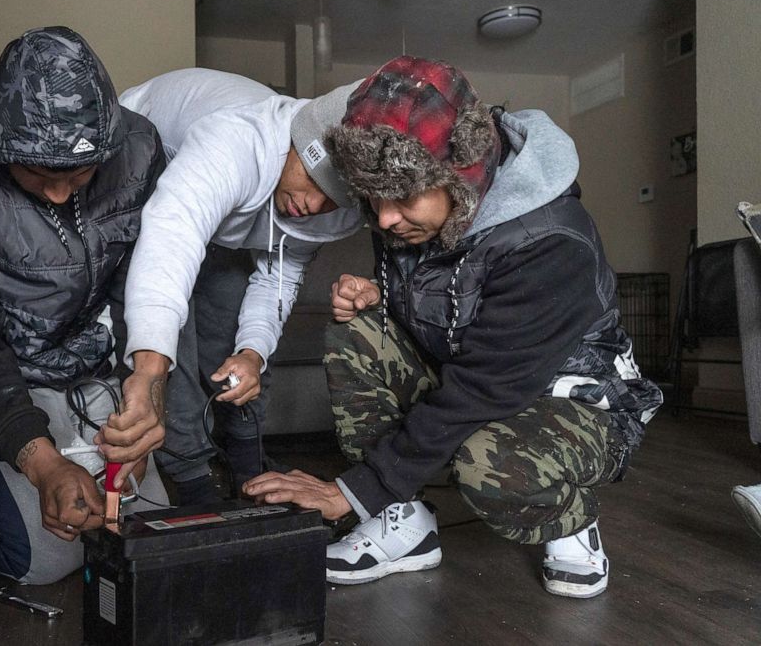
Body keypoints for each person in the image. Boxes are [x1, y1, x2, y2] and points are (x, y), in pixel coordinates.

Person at [244, 56, 663, 598]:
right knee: (357, 330)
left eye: (401, 198)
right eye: (375, 198)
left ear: (460, 175)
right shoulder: (407, 211)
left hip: (580, 403)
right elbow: (450, 313)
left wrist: (352, 492)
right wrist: (383, 300)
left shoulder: (551, 240)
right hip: (475, 374)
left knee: (488, 464)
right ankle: (406, 522)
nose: (386, 218)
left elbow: (484, 387)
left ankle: (571, 519)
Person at [0, 27, 167, 585]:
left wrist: (141, 407)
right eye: (42, 176)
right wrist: (42, 462)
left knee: (142, 531)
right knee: (40, 557)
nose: (62, 194)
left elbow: (142, 290)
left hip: (81, 366)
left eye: (81, 174)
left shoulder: (139, 151)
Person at [109, 68, 363, 505]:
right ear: (295, 143)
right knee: (172, 338)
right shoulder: (235, 144)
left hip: (231, 214)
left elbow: (278, 276)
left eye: (332, 200)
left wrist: (252, 353)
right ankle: (189, 473)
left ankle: (246, 457)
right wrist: (149, 372)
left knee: (229, 314)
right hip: (139, 164)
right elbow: (172, 238)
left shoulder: (329, 208)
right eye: (315, 182)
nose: (313, 206)